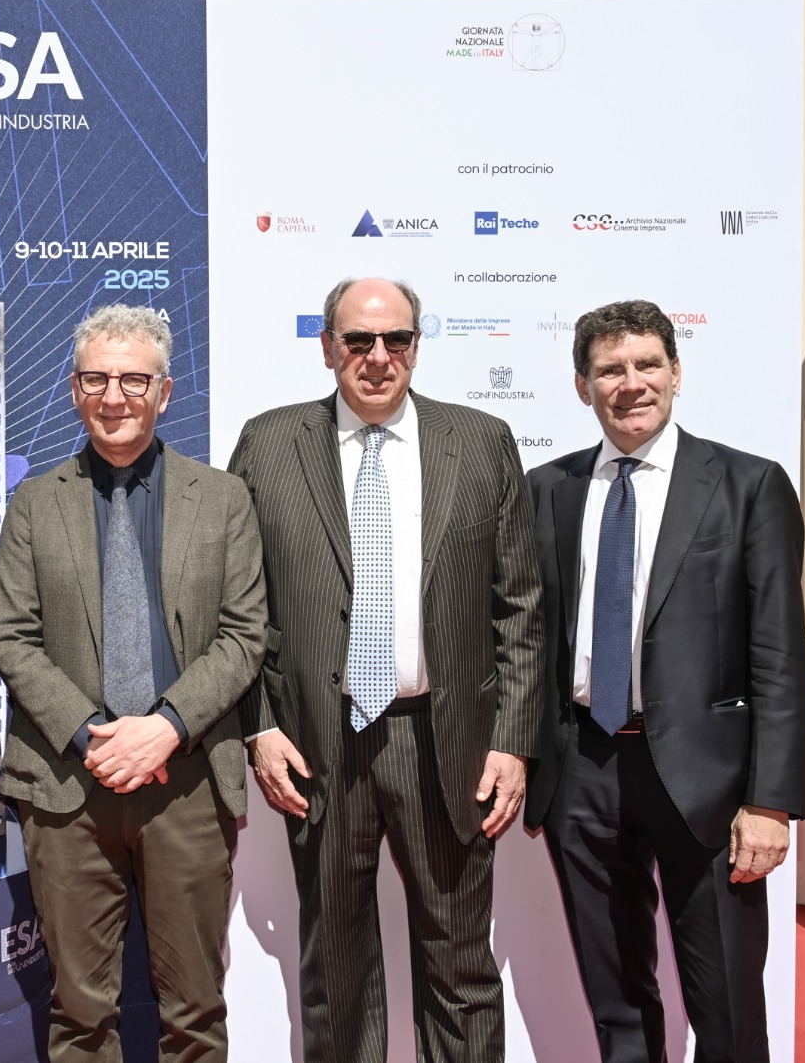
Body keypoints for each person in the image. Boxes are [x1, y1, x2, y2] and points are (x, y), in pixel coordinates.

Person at [227, 277, 543, 1062]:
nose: (377, 357)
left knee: (460, 961)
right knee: (335, 967)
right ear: (327, 346)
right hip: (318, 742)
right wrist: (258, 728)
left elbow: (520, 606)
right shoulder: (269, 444)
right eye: (358, 340)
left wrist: (512, 741)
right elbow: (236, 604)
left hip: (447, 740)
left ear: (416, 346)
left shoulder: (482, 441)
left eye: (395, 339)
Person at [523, 299, 805, 1063]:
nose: (631, 383)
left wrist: (770, 801)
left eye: (647, 364)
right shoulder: (546, 488)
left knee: (727, 1008)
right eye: (610, 370)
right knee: (615, 1001)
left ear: (676, 373)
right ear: (583, 386)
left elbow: (781, 655)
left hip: (709, 782)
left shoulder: (748, 485)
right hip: (583, 769)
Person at [0, 304, 266, 1061]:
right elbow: (11, 636)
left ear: (165, 392)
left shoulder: (223, 499)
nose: (114, 397)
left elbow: (244, 635)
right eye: (96, 379)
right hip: (66, 787)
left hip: (188, 783)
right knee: (80, 1015)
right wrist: (95, 737)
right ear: (75, 390)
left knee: (195, 1013)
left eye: (133, 380)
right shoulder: (35, 502)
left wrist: (166, 727)